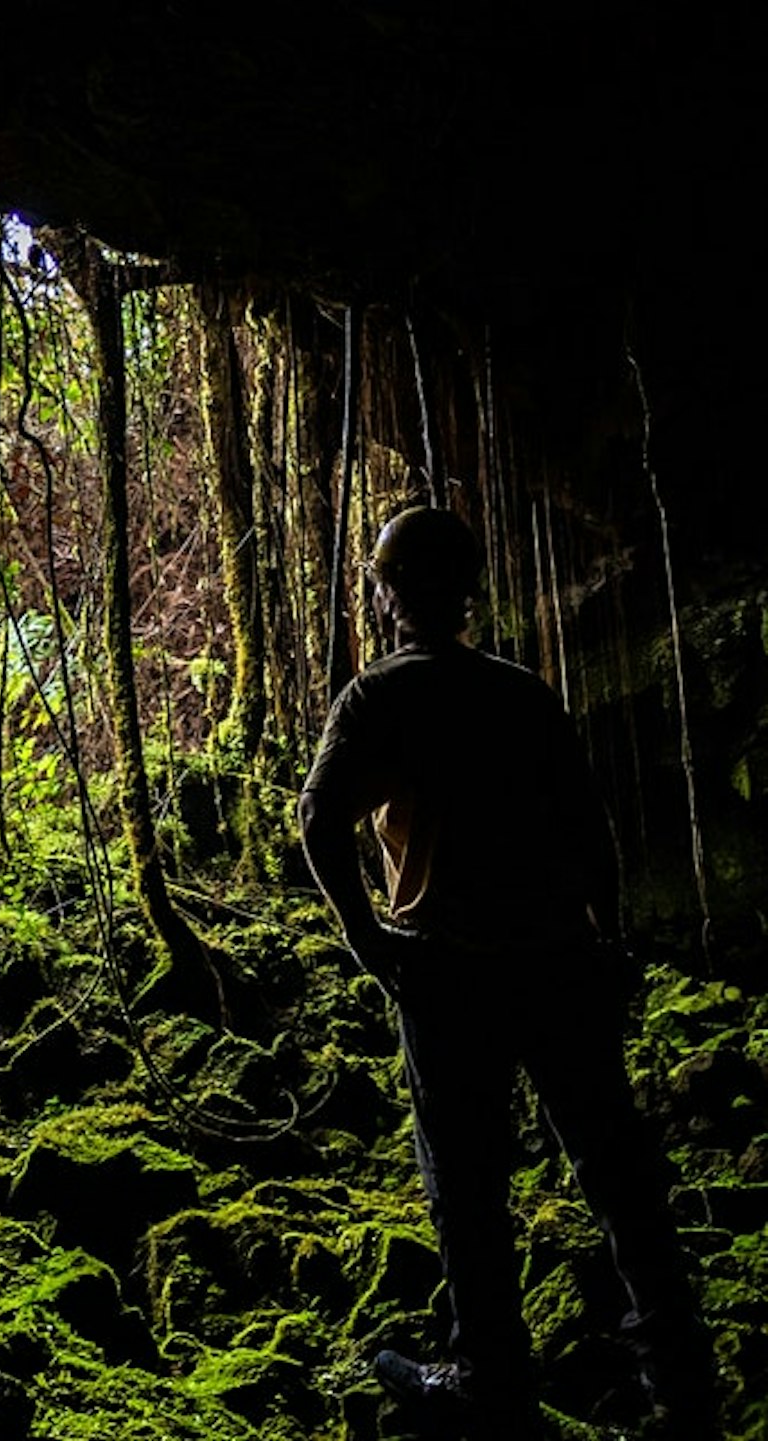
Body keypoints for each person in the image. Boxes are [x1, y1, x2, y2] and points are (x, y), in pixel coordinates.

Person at [299, 505, 717, 1438]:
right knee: (617, 1169)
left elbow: (318, 821)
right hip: (559, 962)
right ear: (470, 587)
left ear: (393, 590)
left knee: (466, 1181)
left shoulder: (380, 697)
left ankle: (492, 1373)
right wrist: (606, 941)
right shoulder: (524, 692)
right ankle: (684, 1383)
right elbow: (591, 825)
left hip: (448, 974)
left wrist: (372, 942)